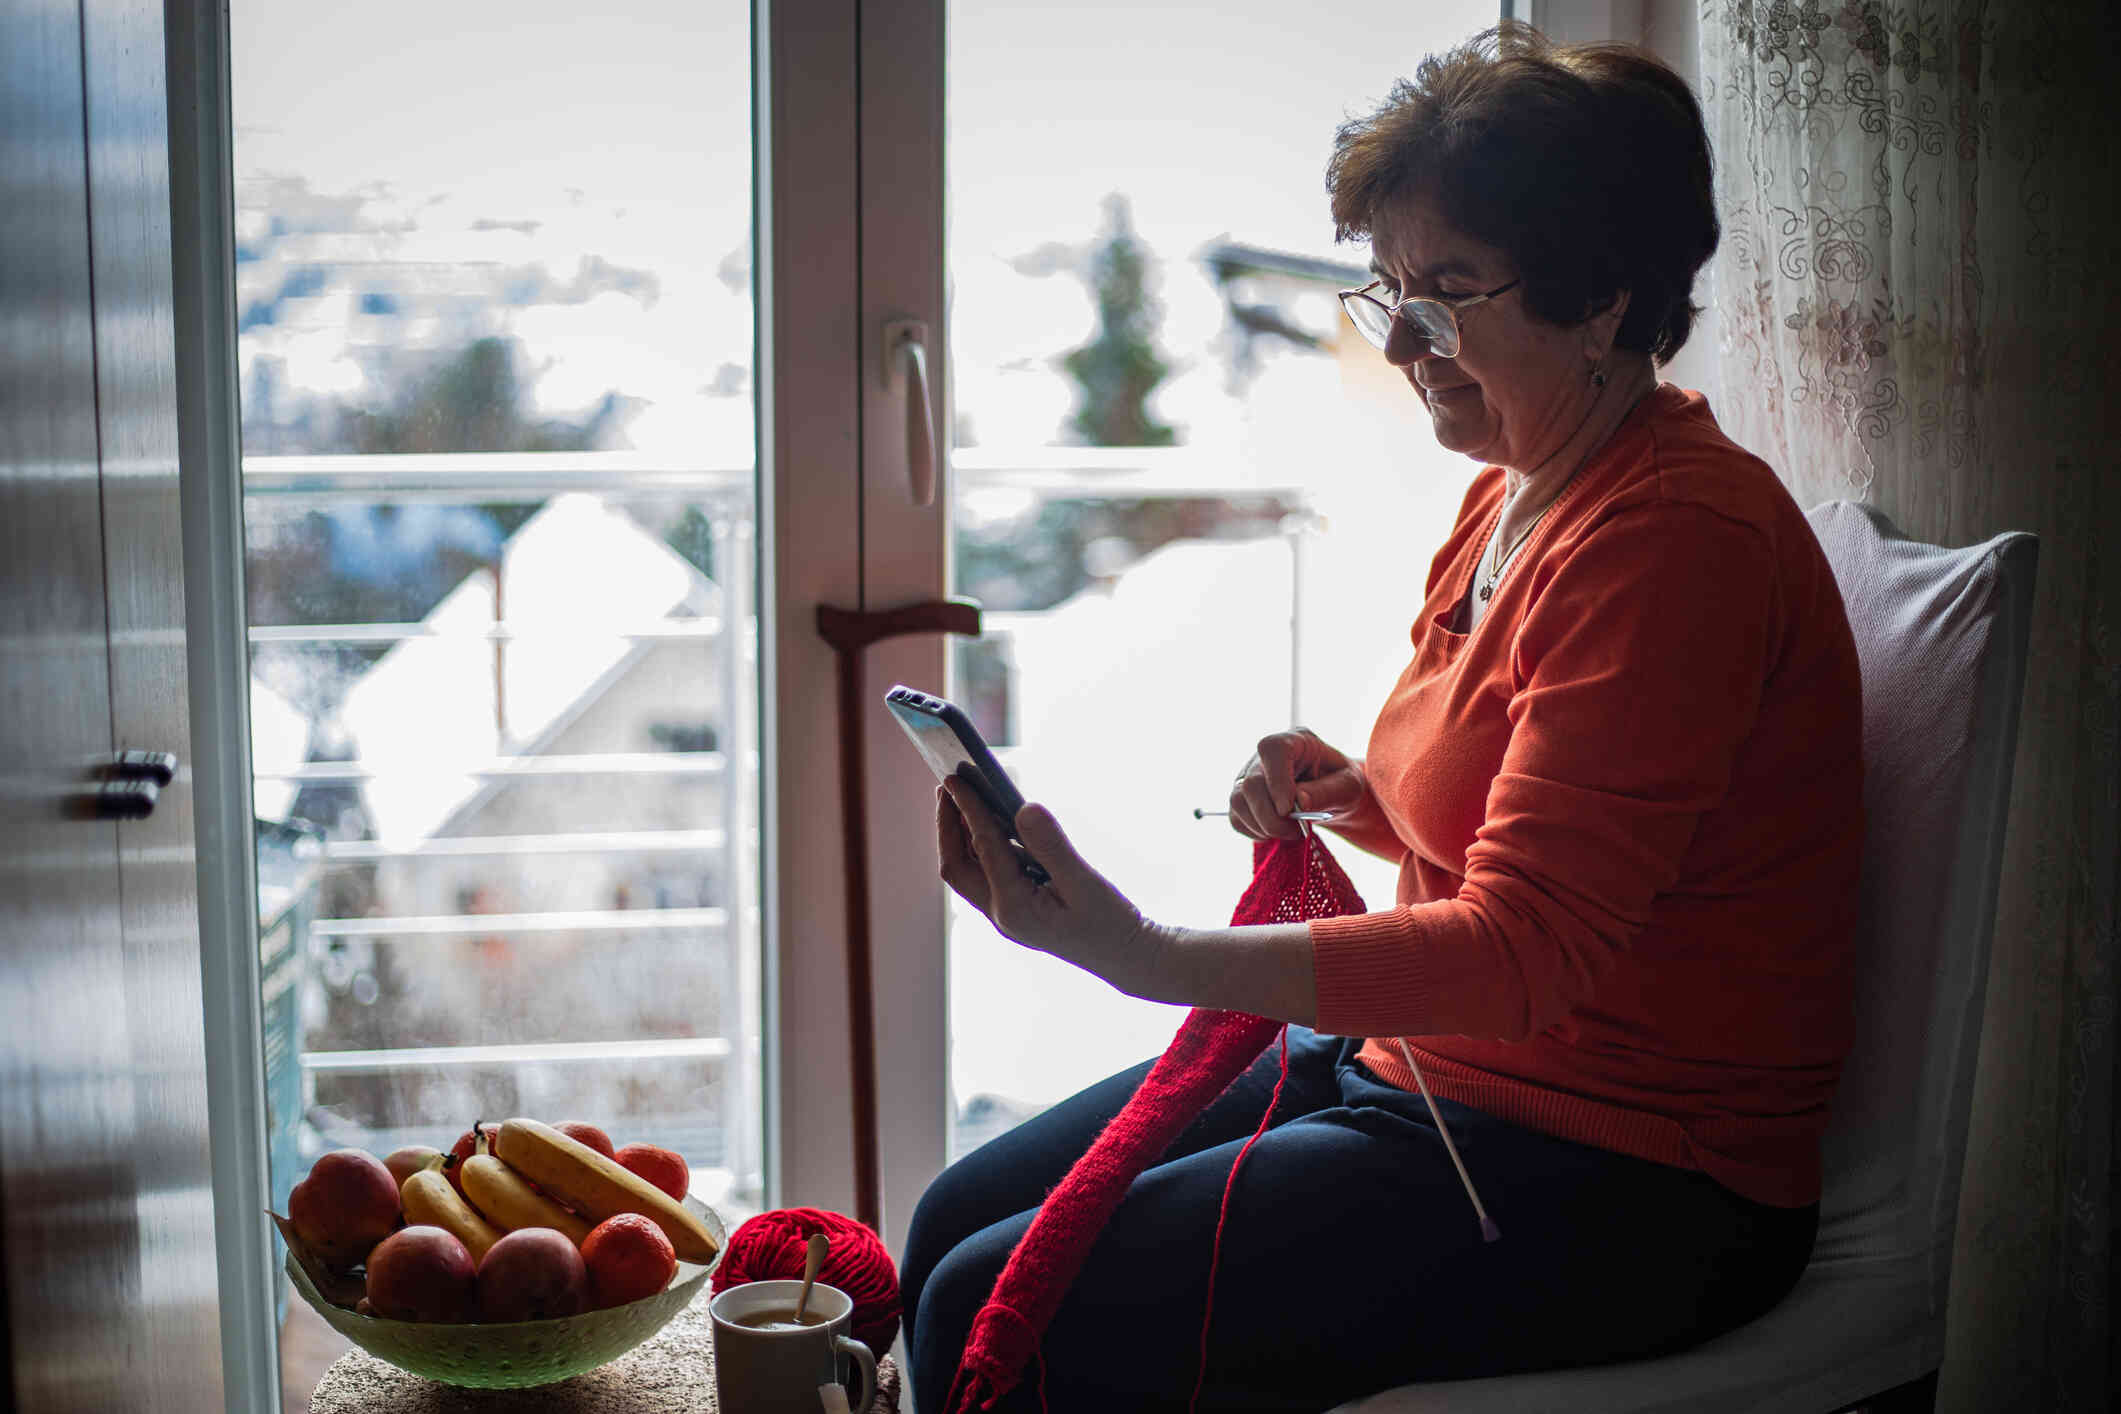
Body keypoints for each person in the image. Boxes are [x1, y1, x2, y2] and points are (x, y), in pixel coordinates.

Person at [902, 22, 1863, 1413]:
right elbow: (1527, 821)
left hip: (1626, 1174)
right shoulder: (1511, 489)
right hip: (1430, 1082)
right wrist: (1353, 793)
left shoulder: (1674, 540)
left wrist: (1147, 953)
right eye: (1388, 292)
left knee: (1001, 1312)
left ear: (1602, 301)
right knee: (948, 1227)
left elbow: (1527, 950)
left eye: (1450, 293)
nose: (1406, 341)